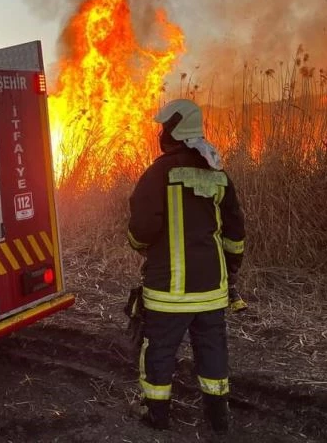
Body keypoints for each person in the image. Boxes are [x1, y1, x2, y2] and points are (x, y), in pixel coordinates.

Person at [127, 98, 246, 434]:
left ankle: (156, 415)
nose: (160, 134)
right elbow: (235, 232)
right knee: (212, 351)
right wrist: (230, 269)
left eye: (164, 128)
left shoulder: (158, 174)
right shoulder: (218, 173)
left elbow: (141, 230)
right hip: (211, 290)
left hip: (169, 293)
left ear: (173, 132)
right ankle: (218, 419)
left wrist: (141, 247)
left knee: (159, 351)